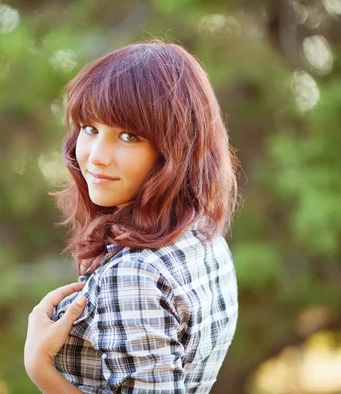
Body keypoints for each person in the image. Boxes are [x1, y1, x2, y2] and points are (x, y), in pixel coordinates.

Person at [24, 39, 240, 393]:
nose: (96, 156)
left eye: (128, 136)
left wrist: (41, 369)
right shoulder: (199, 231)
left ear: (173, 150)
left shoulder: (134, 274)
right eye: (90, 129)